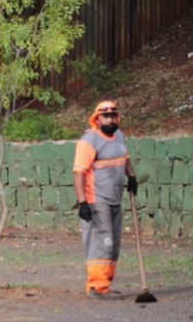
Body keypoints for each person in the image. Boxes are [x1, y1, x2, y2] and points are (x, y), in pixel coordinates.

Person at [72, 101, 137, 299]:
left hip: (115, 198)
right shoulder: (89, 141)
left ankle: (105, 284)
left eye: (113, 115)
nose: (110, 119)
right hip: (96, 200)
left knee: (113, 243)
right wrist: (83, 203)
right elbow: (78, 173)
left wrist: (131, 176)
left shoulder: (119, 136)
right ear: (97, 119)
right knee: (102, 241)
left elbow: (124, 158)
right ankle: (96, 287)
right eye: (105, 116)